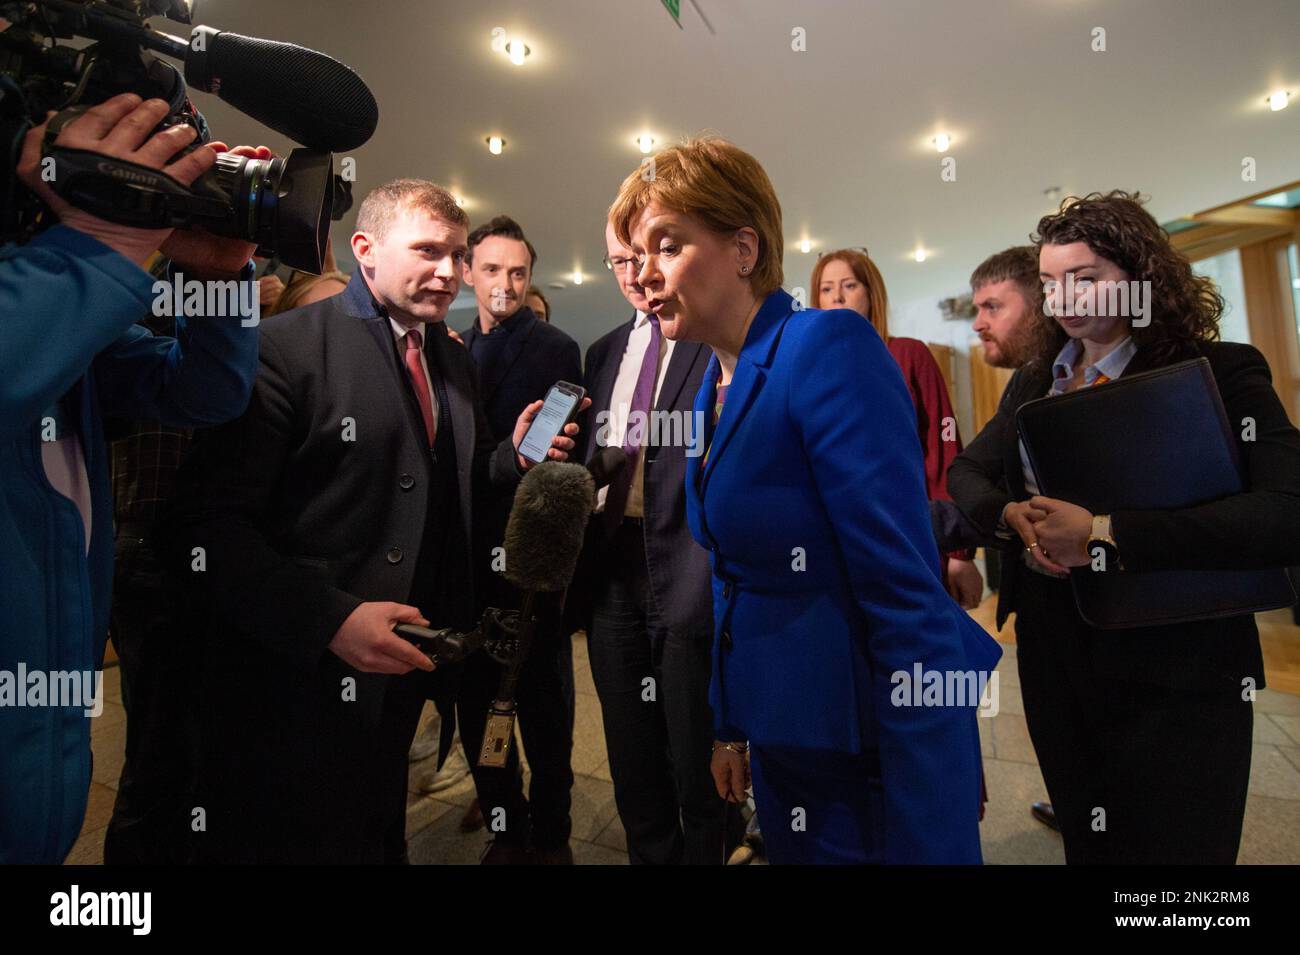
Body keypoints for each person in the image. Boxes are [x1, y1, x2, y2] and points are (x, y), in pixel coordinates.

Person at [161, 180, 584, 864]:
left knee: (376, 830)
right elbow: (206, 528)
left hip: (410, 664)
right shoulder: (283, 347)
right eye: (427, 250)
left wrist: (510, 458)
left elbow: (443, 484)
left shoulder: (449, 355)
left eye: (455, 254)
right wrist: (328, 618)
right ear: (365, 249)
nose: (449, 271)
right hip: (303, 680)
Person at [610, 136, 1000, 864]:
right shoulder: (708, 389)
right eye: (636, 255)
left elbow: (905, 591)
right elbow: (728, 572)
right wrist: (731, 724)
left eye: (667, 245)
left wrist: (933, 825)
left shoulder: (827, 344)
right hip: (782, 728)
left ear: (744, 248)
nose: (645, 273)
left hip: (862, 740)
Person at [948, 191, 1300, 864]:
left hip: (1177, 662)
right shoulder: (1035, 380)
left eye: (1086, 277)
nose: (1064, 298)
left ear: (1140, 276)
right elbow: (969, 470)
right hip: (1056, 652)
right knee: (1089, 837)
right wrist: (1010, 515)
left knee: (1177, 858)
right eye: (1050, 282)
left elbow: (1286, 510)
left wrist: (1107, 532)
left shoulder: (1220, 372)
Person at [0, 92, 262, 863]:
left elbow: (203, 390)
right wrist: (98, 240)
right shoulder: (46, 286)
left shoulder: (46, 299)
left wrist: (217, 280)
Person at [570, 220, 730, 864]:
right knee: (630, 751)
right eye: (618, 261)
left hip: (687, 564)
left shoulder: (706, 338)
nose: (634, 273)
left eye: (644, 256)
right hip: (612, 567)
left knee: (697, 755)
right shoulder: (603, 351)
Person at [457, 215, 583, 864]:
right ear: (467, 272)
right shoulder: (447, 350)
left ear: (529, 276)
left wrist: (527, 455)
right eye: (492, 270)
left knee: (545, 710)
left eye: (517, 271)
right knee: (478, 712)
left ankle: (553, 838)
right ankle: (508, 832)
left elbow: (557, 461)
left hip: (531, 560)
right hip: (463, 563)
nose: (505, 283)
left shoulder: (555, 348)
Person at [812, 249, 982, 608]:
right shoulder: (810, 370)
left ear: (871, 293)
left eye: (849, 285)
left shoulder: (909, 355)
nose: (837, 297)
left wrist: (960, 553)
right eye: (826, 289)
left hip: (912, 534)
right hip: (837, 542)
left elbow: (943, 447)